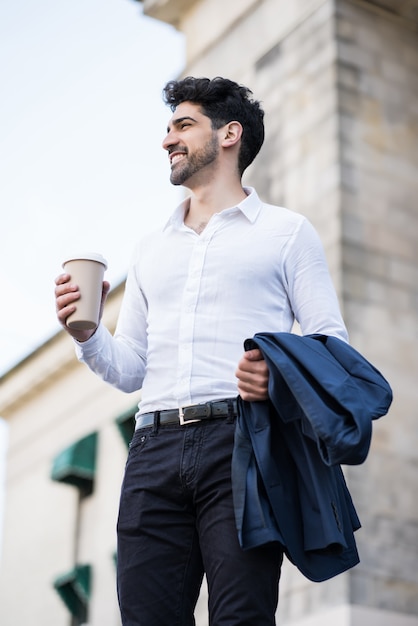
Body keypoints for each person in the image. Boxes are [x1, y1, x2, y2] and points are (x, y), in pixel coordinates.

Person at [55, 76, 348, 626]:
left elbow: (330, 343)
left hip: (242, 445)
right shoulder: (149, 250)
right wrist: (86, 335)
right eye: (168, 128)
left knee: (242, 616)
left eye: (183, 125)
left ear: (230, 133)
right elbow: (132, 369)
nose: (168, 139)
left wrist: (276, 379)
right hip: (151, 450)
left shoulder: (286, 233)